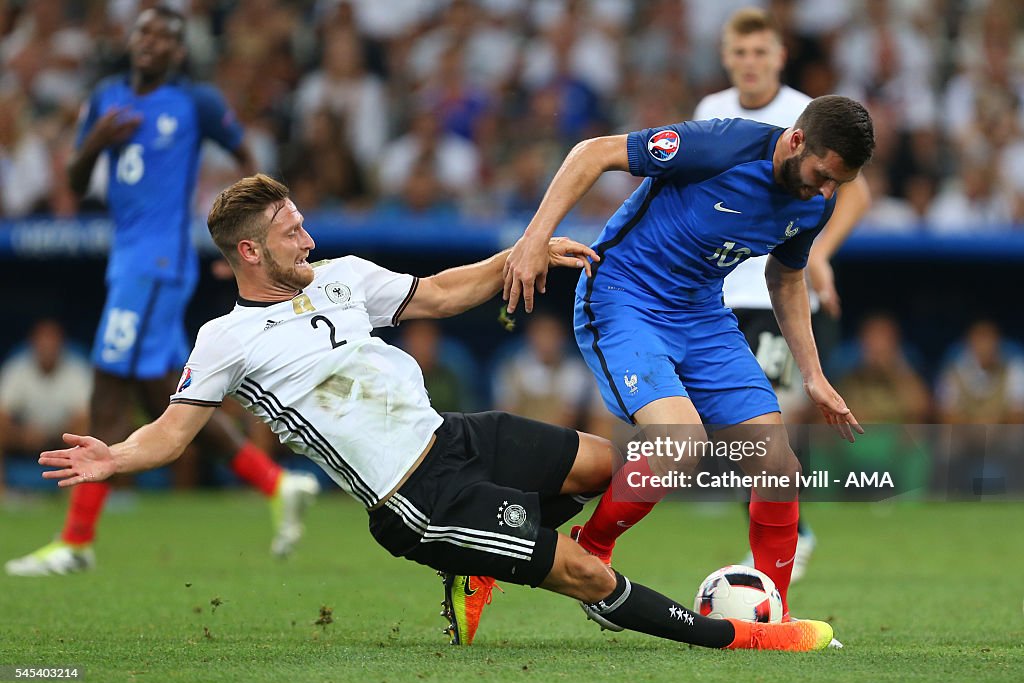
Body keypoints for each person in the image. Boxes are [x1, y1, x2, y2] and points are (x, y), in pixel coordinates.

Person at [38, 173, 837, 652]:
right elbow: (172, 432)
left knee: (612, 462)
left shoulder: (340, 275)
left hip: (456, 438)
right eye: (289, 232)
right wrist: (114, 456)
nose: (306, 236)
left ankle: (482, 565)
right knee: (585, 573)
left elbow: (442, 293)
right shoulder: (224, 338)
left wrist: (523, 253)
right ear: (249, 252)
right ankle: (752, 635)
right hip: (416, 498)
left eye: (301, 221)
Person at [502, 94, 875, 621]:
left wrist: (813, 375)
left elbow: (787, 275)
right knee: (679, 445)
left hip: (701, 314)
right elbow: (591, 153)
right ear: (796, 141)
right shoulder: (718, 145)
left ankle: (774, 612)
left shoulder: (816, 199)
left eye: (840, 183)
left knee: (778, 466)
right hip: (625, 297)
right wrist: (534, 239)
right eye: (822, 173)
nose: (827, 190)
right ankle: (592, 549)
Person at [5, 8, 318, 578]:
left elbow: (246, 156)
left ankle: (76, 541)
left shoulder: (194, 102)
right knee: (165, 398)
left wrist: (256, 237)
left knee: (106, 384)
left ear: (179, 52)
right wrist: (97, 140)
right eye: (144, 31)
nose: (151, 42)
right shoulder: (105, 98)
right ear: (132, 39)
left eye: (166, 37)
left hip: (156, 265)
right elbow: (74, 183)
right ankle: (277, 482)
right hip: (129, 261)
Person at [691, 7, 873, 581]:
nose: (750, 63)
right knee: (726, 423)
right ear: (726, 57)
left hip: (777, 292)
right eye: (740, 53)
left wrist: (817, 253)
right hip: (720, 294)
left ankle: (788, 537)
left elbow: (855, 194)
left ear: (779, 57)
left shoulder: (806, 114)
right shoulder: (709, 111)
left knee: (766, 417)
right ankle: (788, 530)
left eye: (760, 53)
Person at [0, 319, 91, 496]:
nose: (47, 347)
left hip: (64, 439)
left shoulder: (76, 369)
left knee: (85, 428)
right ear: (33, 344)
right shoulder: (17, 367)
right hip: (25, 436)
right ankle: (2, 493)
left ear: (61, 345)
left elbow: (83, 415)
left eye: (52, 342)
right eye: (43, 342)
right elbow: (3, 413)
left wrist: (61, 435)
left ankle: (75, 491)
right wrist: (23, 433)